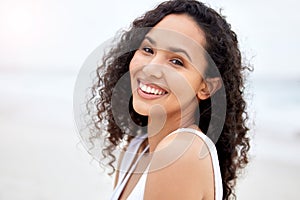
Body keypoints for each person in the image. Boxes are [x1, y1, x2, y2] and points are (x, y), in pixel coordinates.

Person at [87, 0, 252, 199]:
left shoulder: (180, 152)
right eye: (148, 50)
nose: (151, 68)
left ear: (206, 86)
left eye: (176, 61)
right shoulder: (136, 147)